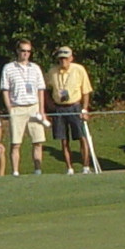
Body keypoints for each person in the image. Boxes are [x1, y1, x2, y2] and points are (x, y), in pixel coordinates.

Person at [0, 38, 47, 175]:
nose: (25, 54)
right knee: (16, 143)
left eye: (28, 51)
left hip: (34, 107)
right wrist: (9, 108)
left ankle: (38, 170)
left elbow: (40, 90)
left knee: (38, 141)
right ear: (17, 51)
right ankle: (15, 172)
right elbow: (5, 89)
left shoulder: (36, 68)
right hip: (17, 108)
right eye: (23, 51)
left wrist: (41, 110)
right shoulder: (8, 68)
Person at [47, 44, 96, 172]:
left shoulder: (79, 70)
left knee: (81, 137)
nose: (63, 61)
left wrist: (84, 109)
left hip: (75, 106)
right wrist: (50, 105)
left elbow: (86, 91)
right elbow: (46, 89)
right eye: (61, 58)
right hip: (59, 108)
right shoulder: (52, 71)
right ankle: (69, 168)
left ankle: (86, 167)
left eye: (66, 58)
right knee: (63, 139)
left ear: (71, 58)